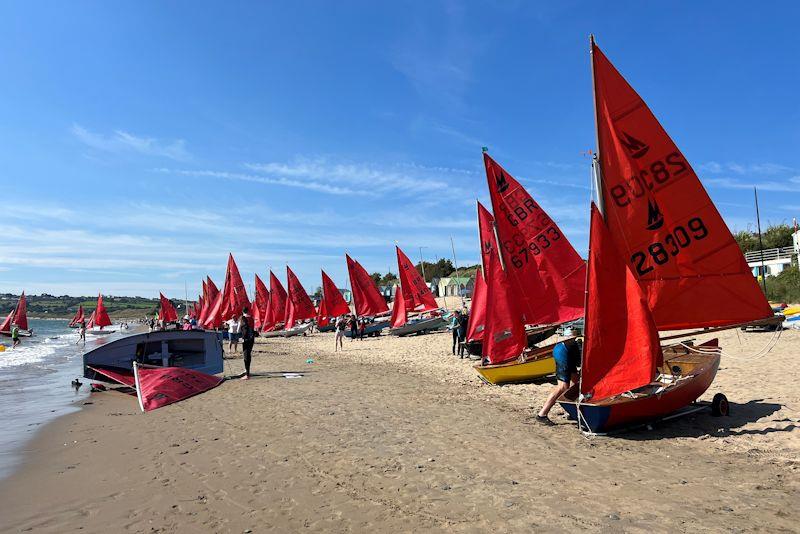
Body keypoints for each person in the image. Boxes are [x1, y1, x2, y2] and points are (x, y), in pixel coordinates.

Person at [536, 338, 582, 425]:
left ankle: (571, 412)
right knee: (563, 387)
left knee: (576, 383)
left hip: (565, 351)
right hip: (563, 351)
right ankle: (542, 414)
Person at [239, 308, 255, 380]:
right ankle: (247, 371)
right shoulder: (252, 318)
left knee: (246, 355)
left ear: (242, 312)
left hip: (246, 339)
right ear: (248, 311)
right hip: (252, 338)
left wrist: (243, 338)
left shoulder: (243, 318)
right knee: (248, 354)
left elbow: (245, 329)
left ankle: (247, 374)